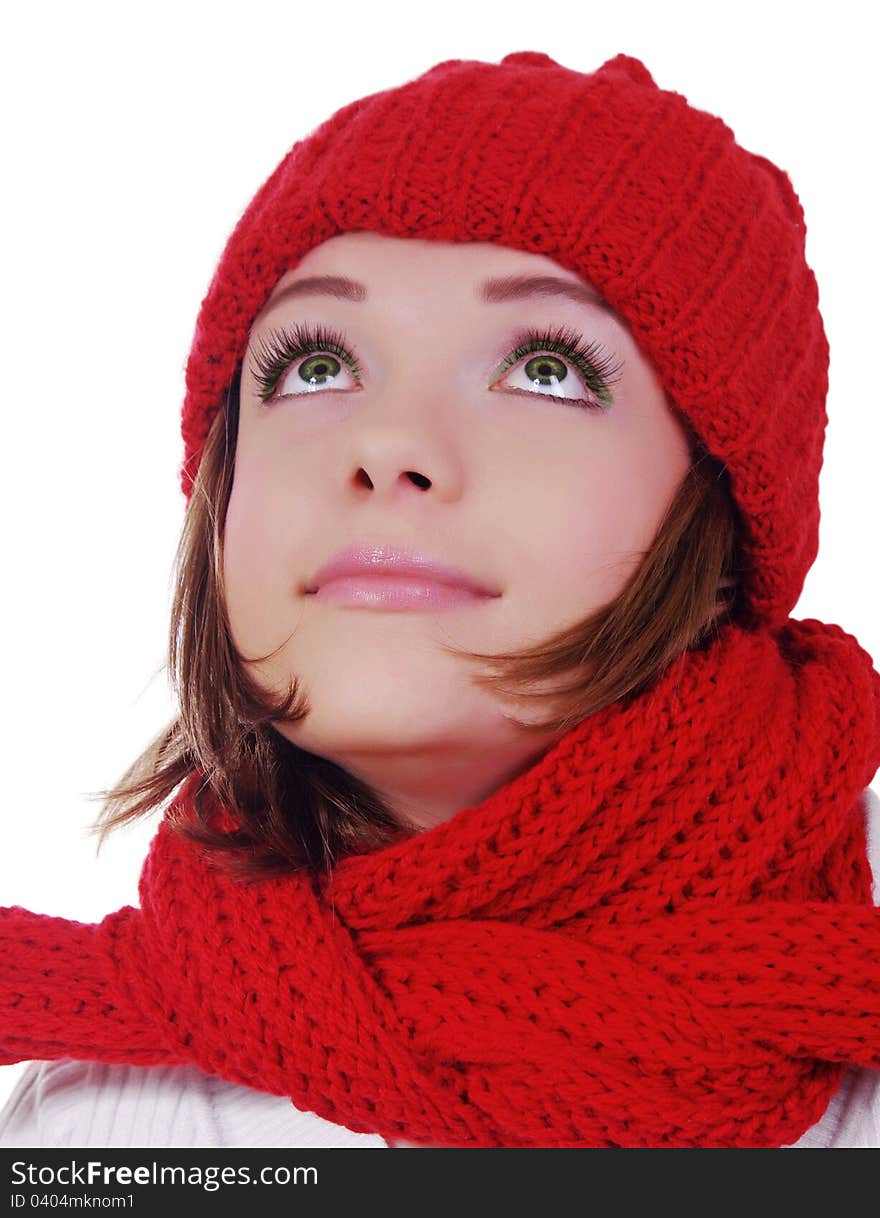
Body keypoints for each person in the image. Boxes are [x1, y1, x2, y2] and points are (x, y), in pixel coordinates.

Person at [1, 48, 879, 1150]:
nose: (389, 445)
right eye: (315, 364)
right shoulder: (102, 1115)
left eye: (548, 367)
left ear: (719, 534)